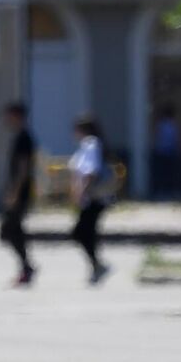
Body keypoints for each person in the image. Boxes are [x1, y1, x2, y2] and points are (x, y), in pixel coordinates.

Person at [68, 115, 113, 284]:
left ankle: (97, 264)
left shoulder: (90, 144)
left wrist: (81, 192)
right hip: (92, 197)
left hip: (93, 197)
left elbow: (89, 171)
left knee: (81, 231)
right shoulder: (90, 144)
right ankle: (96, 265)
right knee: (86, 232)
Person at [0, 102, 37, 287]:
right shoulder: (17, 137)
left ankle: (27, 267)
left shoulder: (24, 137)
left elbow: (23, 168)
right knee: (11, 230)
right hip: (17, 190)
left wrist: (14, 192)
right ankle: (26, 266)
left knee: (10, 229)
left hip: (21, 192)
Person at [151, 105, 181, 201]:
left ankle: (165, 191)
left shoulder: (162, 125)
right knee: (168, 174)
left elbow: (158, 137)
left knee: (166, 173)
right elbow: (175, 140)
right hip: (167, 153)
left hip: (164, 152)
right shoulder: (172, 125)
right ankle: (166, 191)